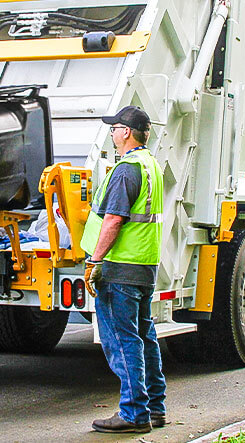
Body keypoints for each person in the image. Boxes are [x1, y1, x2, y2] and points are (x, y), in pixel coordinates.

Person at [80, 105, 166, 434]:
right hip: (143, 267)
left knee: (122, 340)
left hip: (120, 270)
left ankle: (133, 414)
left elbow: (114, 220)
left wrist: (95, 261)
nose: (112, 133)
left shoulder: (127, 169)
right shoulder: (151, 166)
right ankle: (154, 408)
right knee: (145, 338)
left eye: (115, 128)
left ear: (126, 132)